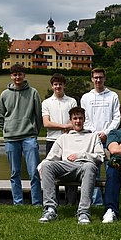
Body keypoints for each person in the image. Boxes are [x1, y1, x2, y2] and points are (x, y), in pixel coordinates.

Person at [37, 107, 105, 225]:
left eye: (80, 118)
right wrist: (41, 167)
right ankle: (50, 209)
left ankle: (83, 212)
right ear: (71, 120)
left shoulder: (93, 136)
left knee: (90, 167)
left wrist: (81, 155)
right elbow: (50, 158)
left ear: (84, 119)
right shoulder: (63, 138)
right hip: (66, 168)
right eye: (75, 118)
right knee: (47, 165)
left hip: (84, 167)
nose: (78, 121)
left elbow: (100, 157)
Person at [0, 64, 42, 205]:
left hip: (29, 137)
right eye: (15, 74)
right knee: (15, 173)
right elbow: (0, 117)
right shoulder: (4, 94)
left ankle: (37, 202)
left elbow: (38, 115)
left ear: (24, 75)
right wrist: (7, 130)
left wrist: (34, 131)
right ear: (11, 76)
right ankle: (18, 203)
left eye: (20, 74)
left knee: (34, 172)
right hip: (11, 138)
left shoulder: (33, 93)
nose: (17, 77)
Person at [81, 67, 120, 205]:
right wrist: (96, 133)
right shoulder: (86, 97)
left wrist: (106, 133)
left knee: (111, 172)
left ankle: (110, 201)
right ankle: (96, 202)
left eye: (100, 77)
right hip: (92, 139)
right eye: (95, 77)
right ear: (92, 79)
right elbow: (85, 119)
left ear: (105, 78)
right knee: (93, 172)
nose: (98, 80)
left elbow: (117, 117)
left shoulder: (113, 96)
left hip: (110, 139)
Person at [42, 73, 78, 204]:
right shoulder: (46, 103)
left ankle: (71, 203)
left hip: (69, 141)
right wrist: (64, 126)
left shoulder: (72, 101)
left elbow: (74, 122)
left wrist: (67, 126)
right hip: (52, 141)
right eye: (55, 84)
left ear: (64, 85)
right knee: (51, 172)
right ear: (52, 86)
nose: (58, 87)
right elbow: (46, 123)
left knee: (71, 171)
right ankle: (53, 203)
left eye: (60, 84)